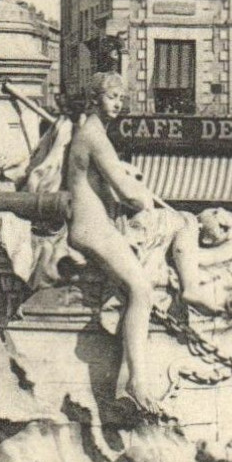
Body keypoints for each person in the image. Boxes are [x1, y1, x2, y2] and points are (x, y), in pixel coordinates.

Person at [63, 71, 167, 415]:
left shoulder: (90, 133)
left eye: (121, 98)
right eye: (112, 97)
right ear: (95, 99)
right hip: (93, 229)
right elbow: (125, 192)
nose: (118, 104)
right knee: (141, 288)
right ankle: (136, 380)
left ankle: (128, 375)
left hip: (97, 225)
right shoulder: (94, 134)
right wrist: (145, 199)